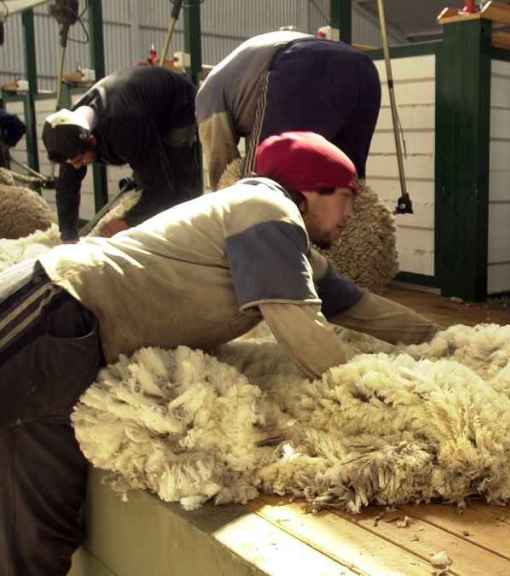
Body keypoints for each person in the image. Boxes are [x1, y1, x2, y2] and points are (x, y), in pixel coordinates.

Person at [0, 131, 438, 575]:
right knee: (38, 507)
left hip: (73, 343)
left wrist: (441, 341)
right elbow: (299, 326)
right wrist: (371, 399)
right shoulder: (266, 211)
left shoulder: (283, 242)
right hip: (48, 308)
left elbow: (359, 307)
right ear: (312, 190)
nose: (350, 215)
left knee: (42, 519)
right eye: (347, 197)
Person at [196, 30, 381, 189]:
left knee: (261, 183)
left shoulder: (204, 98)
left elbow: (221, 166)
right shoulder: (228, 76)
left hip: (298, 63)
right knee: (346, 182)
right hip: (362, 68)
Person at [42, 65, 202, 241]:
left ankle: (192, 234)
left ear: (91, 140)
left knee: (179, 183)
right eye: (71, 162)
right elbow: (67, 188)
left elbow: (161, 186)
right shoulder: (70, 129)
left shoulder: (125, 125)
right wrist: (68, 236)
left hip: (177, 105)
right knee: (149, 183)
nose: (77, 165)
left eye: (79, 159)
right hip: (139, 109)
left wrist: (128, 221)